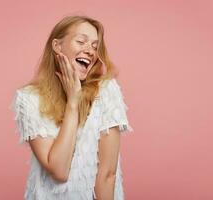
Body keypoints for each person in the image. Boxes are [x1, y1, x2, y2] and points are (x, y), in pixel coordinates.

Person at [10, 15, 134, 200]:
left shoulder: (106, 91)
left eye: (94, 46)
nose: (90, 51)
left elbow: (107, 175)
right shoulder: (28, 99)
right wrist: (73, 103)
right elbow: (59, 171)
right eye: (81, 41)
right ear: (57, 46)